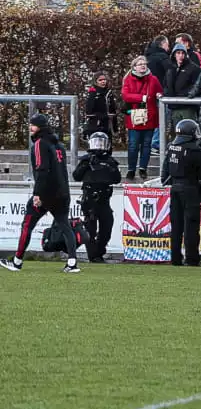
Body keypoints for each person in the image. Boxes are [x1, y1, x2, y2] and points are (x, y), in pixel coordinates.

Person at [2, 115, 78, 273]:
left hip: (46, 194)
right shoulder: (59, 145)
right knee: (65, 226)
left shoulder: (39, 144)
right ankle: (72, 263)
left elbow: (41, 170)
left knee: (27, 224)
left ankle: (17, 261)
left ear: (40, 127)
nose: (30, 128)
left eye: (33, 126)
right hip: (62, 192)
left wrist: (37, 194)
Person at [161, 119, 201, 267]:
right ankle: (191, 258)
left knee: (176, 226)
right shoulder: (194, 149)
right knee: (191, 225)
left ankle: (175, 258)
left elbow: (165, 172)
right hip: (190, 189)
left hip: (175, 188)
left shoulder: (172, 147)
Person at [72, 130, 121, 264]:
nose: (99, 146)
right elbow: (76, 176)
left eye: (101, 143)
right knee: (90, 230)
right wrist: (85, 165)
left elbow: (117, 179)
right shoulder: (86, 159)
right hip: (89, 199)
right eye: (96, 143)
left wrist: (112, 169)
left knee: (107, 228)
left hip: (104, 199)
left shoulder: (110, 161)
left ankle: (100, 251)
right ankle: (93, 256)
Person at [121, 55, 163, 181]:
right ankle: (131, 169)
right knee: (133, 145)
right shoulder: (128, 79)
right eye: (140, 64)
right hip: (134, 117)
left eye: (144, 63)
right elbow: (125, 96)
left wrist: (159, 95)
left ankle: (143, 168)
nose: (143, 66)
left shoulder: (153, 79)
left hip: (149, 117)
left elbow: (160, 91)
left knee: (146, 145)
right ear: (134, 67)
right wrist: (141, 98)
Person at [162, 42, 201, 127]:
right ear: (174, 55)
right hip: (173, 107)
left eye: (183, 53)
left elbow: (197, 86)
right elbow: (165, 85)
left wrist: (183, 95)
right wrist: (167, 94)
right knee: (177, 134)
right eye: (178, 53)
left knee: (190, 133)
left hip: (188, 106)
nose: (181, 55)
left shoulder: (194, 68)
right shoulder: (170, 69)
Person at [83, 72, 120, 139]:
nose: (103, 81)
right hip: (94, 123)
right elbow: (88, 110)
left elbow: (112, 110)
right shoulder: (92, 92)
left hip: (107, 123)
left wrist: (115, 128)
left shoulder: (109, 93)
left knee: (107, 143)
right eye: (100, 80)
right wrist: (92, 95)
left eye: (104, 79)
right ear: (96, 81)